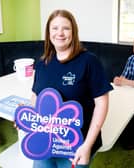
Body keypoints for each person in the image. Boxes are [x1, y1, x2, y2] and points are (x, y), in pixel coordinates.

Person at [31, 10, 113, 168]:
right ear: (48, 33)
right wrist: (27, 115)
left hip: (76, 146)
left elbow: (102, 104)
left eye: (66, 28)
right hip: (46, 142)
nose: (60, 33)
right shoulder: (42, 63)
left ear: (73, 32)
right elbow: (35, 96)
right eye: (54, 28)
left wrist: (87, 146)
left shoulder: (89, 61)